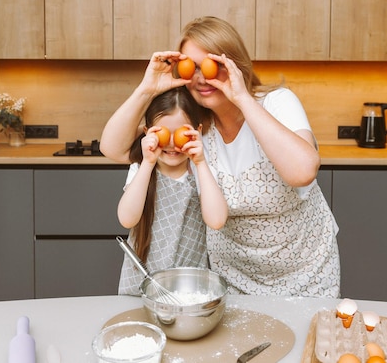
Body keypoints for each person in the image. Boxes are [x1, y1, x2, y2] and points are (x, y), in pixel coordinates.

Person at [102, 16, 340, 297]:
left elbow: (303, 171)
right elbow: (112, 148)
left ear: (234, 65)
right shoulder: (196, 127)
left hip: (304, 271)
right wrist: (147, 88)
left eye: (212, 66)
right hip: (232, 278)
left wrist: (242, 97)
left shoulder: (277, 103)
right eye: (192, 67)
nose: (202, 78)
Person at [116, 86, 227, 296]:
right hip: (143, 280)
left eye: (182, 134)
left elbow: (217, 220)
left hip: (189, 283)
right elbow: (126, 219)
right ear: (148, 133)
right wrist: (148, 163)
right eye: (163, 134)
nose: (173, 143)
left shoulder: (202, 171)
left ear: (197, 131)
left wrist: (201, 163)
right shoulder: (142, 170)